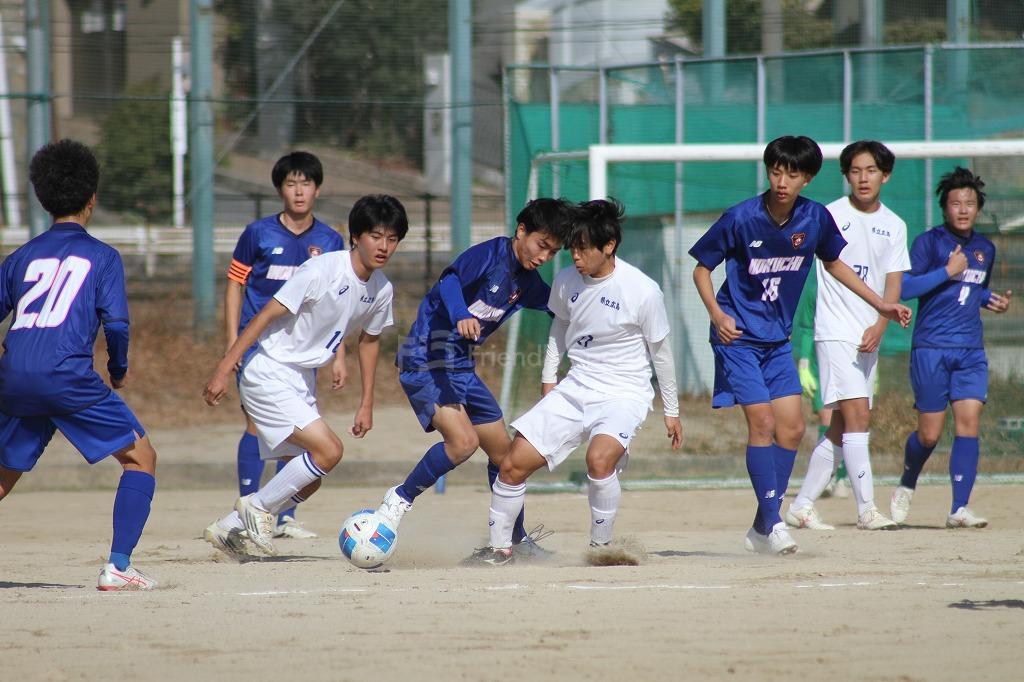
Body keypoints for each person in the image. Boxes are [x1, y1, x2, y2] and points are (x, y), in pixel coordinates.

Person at [688, 135, 911, 556]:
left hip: (776, 342)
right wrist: (717, 316)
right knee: (764, 424)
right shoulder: (741, 218)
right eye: (776, 171)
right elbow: (702, 270)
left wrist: (880, 302)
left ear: (807, 178)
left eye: (792, 173)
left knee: (792, 429)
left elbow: (834, 263)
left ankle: (759, 528)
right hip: (738, 340)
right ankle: (774, 523)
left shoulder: (815, 218)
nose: (782, 180)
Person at [475, 199, 682, 564]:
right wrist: (548, 379)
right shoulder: (566, 280)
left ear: (609, 246)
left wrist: (672, 410)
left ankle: (601, 548)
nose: (575, 255)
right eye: (572, 247)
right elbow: (560, 328)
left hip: (624, 392)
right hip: (576, 385)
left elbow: (661, 353)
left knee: (598, 460)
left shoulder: (643, 290)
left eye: (583, 247)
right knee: (512, 464)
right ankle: (498, 548)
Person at [202, 194, 407, 558]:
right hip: (269, 370)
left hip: (301, 380)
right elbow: (266, 314)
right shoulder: (322, 270)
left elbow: (369, 341)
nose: (384, 246)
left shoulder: (381, 290)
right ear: (355, 237)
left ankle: (228, 528)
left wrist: (367, 403)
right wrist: (224, 366)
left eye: (392, 239)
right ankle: (259, 510)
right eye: (376, 236)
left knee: (309, 478)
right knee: (329, 451)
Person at [374, 198, 574, 560]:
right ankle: (398, 499)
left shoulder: (527, 282)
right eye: (541, 245)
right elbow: (449, 280)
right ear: (522, 231)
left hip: (461, 367)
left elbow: (561, 309)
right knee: (463, 443)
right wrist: (460, 313)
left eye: (553, 251)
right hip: (426, 357)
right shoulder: (491, 254)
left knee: (507, 458)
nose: (544, 256)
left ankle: (515, 541)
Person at [0, 139, 159, 590]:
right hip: (68, 377)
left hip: (16, 379)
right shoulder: (103, 257)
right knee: (141, 459)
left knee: (3, 474)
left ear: (42, 198)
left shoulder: (21, 257)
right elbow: (118, 323)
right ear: (92, 199)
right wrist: (119, 367)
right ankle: (119, 567)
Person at [787, 140, 910, 532]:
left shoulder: (894, 224)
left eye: (871, 170)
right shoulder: (827, 216)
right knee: (858, 418)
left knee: (842, 426)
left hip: (868, 333)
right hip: (835, 331)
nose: (862, 178)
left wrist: (880, 325)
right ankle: (867, 510)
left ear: (885, 175)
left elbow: (893, 281)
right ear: (846, 176)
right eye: (855, 171)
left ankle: (803, 505)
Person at [225, 151, 345, 540]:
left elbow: (337, 303)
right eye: (291, 184)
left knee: (298, 429)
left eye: (306, 183)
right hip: (259, 347)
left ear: (318, 189)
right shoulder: (257, 234)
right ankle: (249, 507)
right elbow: (235, 285)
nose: (298, 191)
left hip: (304, 349)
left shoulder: (329, 240)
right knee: (255, 424)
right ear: (280, 189)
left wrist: (339, 354)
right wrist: (233, 345)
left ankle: (282, 515)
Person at [891, 167, 1011, 529]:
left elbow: (970, 291)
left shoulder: (985, 249)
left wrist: (989, 299)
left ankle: (959, 507)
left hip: (970, 350)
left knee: (968, 423)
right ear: (944, 208)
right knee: (928, 434)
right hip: (930, 348)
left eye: (970, 203)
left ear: (978, 209)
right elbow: (904, 290)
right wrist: (947, 270)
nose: (963, 209)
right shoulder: (928, 243)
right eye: (956, 203)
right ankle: (908, 480)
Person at [791, 271, 848, 499]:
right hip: (819, 359)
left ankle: (842, 476)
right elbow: (805, 326)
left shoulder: (859, 283)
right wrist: (804, 364)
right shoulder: (816, 284)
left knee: (851, 419)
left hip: (849, 356)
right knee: (828, 417)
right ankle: (828, 476)